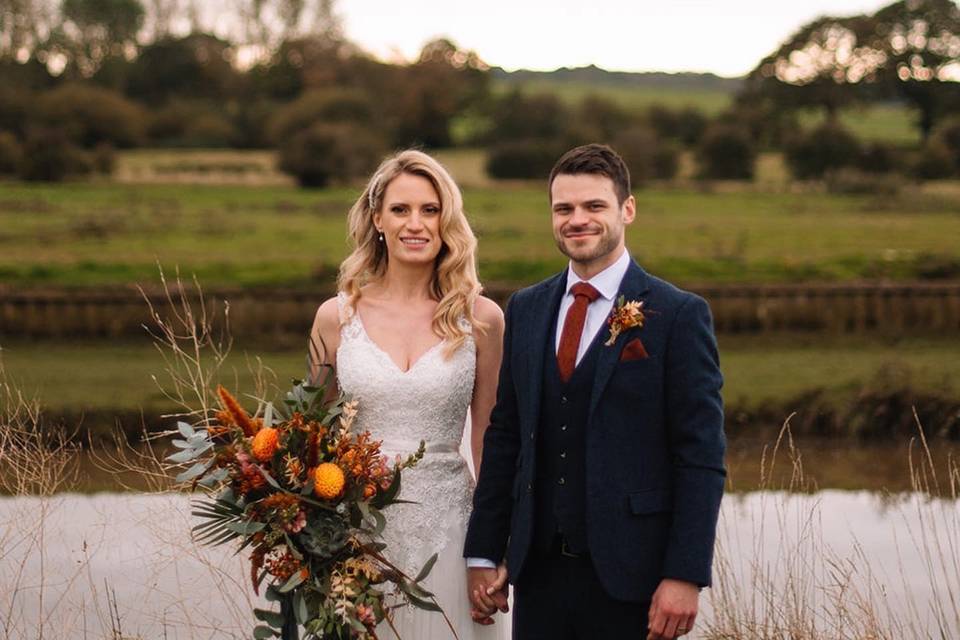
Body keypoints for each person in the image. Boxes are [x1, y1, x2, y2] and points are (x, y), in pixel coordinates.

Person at [463, 143, 726, 639]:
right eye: (564, 209)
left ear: (627, 209)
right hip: (536, 575)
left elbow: (700, 455)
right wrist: (485, 550)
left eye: (593, 206)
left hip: (635, 578)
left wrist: (685, 573)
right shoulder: (526, 308)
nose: (577, 219)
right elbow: (506, 438)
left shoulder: (678, 314)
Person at [308, 150, 508, 639]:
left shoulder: (481, 319)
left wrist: (491, 548)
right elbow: (310, 439)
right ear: (377, 219)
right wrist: (307, 537)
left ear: (447, 221)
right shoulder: (335, 318)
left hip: (451, 530)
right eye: (400, 210)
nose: (415, 224)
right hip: (356, 539)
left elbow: (489, 437)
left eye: (430, 209)